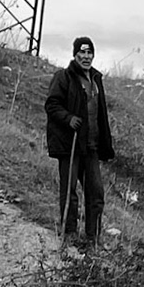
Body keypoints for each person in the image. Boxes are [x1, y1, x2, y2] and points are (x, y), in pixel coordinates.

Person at [44, 35, 115, 250]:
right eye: (82, 52)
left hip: (91, 146)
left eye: (89, 52)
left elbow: (100, 113)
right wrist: (68, 118)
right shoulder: (63, 77)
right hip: (71, 145)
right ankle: (70, 237)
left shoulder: (96, 80)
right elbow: (52, 104)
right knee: (70, 193)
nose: (86, 56)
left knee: (96, 195)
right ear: (75, 54)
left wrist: (105, 143)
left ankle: (93, 239)